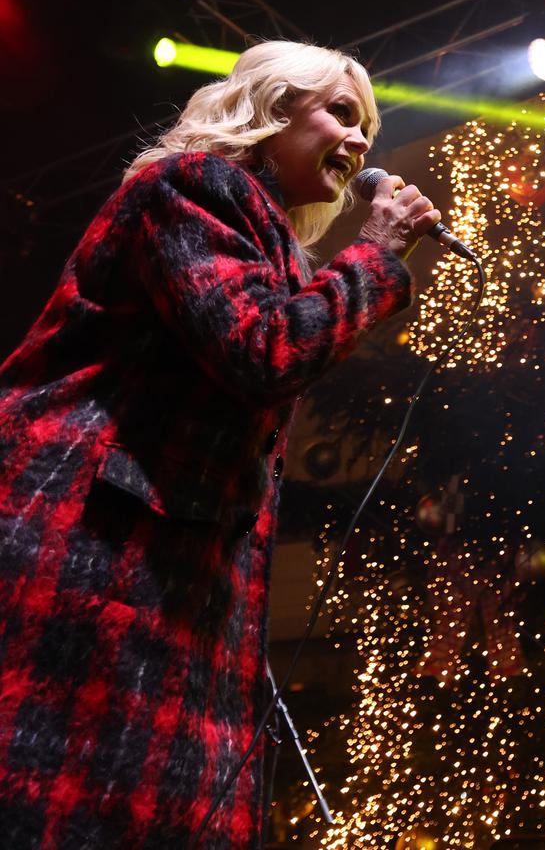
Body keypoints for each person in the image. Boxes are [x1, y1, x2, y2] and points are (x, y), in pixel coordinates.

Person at [0, 41, 442, 848]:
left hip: (165, 567)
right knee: (61, 799)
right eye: (342, 113)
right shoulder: (194, 186)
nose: (360, 141)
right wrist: (377, 254)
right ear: (273, 107)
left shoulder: (264, 237)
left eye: (369, 130)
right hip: (90, 544)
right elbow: (265, 350)